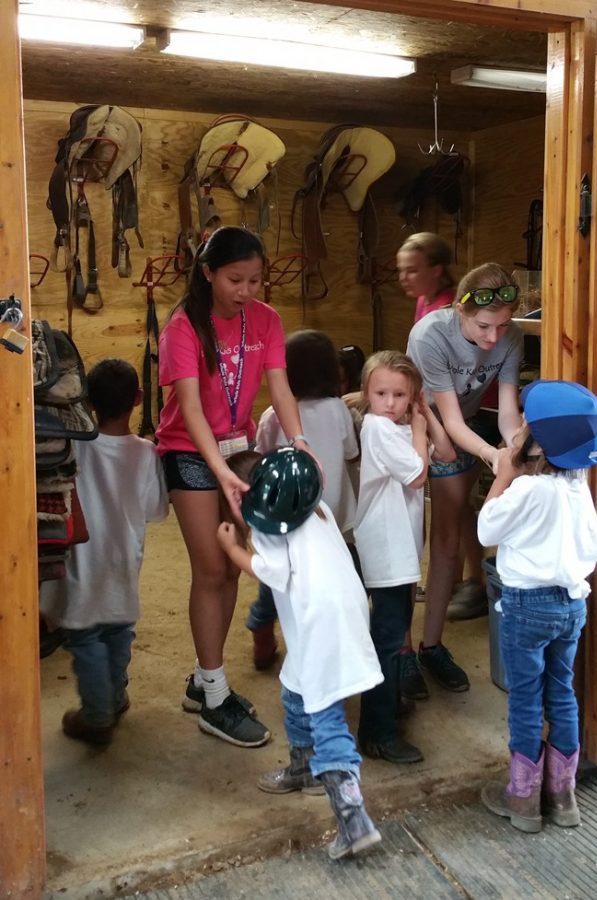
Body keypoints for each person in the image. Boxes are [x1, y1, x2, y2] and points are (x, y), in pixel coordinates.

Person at [155, 226, 310, 748]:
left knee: (233, 573)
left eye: (255, 279)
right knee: (213, 567)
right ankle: (215, 696)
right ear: (207, 273)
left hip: (238, 451)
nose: (247, 290)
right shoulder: (182, 327)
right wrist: (216, 468)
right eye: (235, 279)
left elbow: (280, 388)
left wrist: (299, 440)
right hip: (188, 451)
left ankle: (206, 683)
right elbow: (191, 410)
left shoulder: (266, 319)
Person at [218, 448, 383, 860]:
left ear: (246, 498)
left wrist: (233, 547)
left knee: (326, 715)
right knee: (295, 691)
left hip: (320, 627)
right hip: (342, 614)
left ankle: (354, 819)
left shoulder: (272, 530)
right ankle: (304, 768)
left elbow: (269, 571)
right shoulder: (315, 508)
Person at [478, 380, 597, 833]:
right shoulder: (577, 488)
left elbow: (486, 531)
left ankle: (522, 799)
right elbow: (593, 550)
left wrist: (503, 474)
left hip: (525, 608)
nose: (517, 430)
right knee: (563, 696)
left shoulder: (527, 491)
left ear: (537, 443)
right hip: (571, 606)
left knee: (526, 700)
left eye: (524, 426)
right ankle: (563, 795)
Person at [405, 263, 524, 696]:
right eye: (484, 326)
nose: (494, 338)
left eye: (503, 325)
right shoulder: (430, 336)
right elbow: (447, 418)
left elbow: (508, 411)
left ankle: (431, 646)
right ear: (460, 309)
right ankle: (401, 656)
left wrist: (516, 448)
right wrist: (495, 455)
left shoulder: (510, 338)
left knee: (448, 540)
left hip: (466, 434)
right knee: (406, 544)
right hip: (417, 430)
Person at [40, 359, 168, 745]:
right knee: (118, 631)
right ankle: (114, 697)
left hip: (82, 561)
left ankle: (98, 715)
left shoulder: (74, 448)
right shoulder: (147, 453)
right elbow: (155, 511)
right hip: (124, 559)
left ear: (88, 402)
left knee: (85, 637)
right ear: (139, 399)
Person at [354, 351, 454, 764]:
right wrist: (416, 429)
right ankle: (377, 731)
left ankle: (390, 704)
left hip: (402, 549)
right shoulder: (377, 428)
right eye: (381, 393)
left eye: (400, 395)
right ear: (367, 394)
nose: (389, 403)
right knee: (388, 638)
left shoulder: (402, 427)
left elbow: (445, 454)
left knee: (394, 635)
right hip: (385, 548)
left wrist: (425, 417)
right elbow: (417, 475)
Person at [247, 330, 359, 669]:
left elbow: (259, 462)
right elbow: (351, 453)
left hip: (286, 523)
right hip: (333, 522)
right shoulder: (338, 410)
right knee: (337, 578)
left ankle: (263, 632)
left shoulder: (272, 415)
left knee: (279, 579)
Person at [396, 231, 456, 324]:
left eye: (412, 271)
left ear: (436, 271)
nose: (402, 278)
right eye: (400, 270)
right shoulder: (423, 298)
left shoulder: (447, 311)